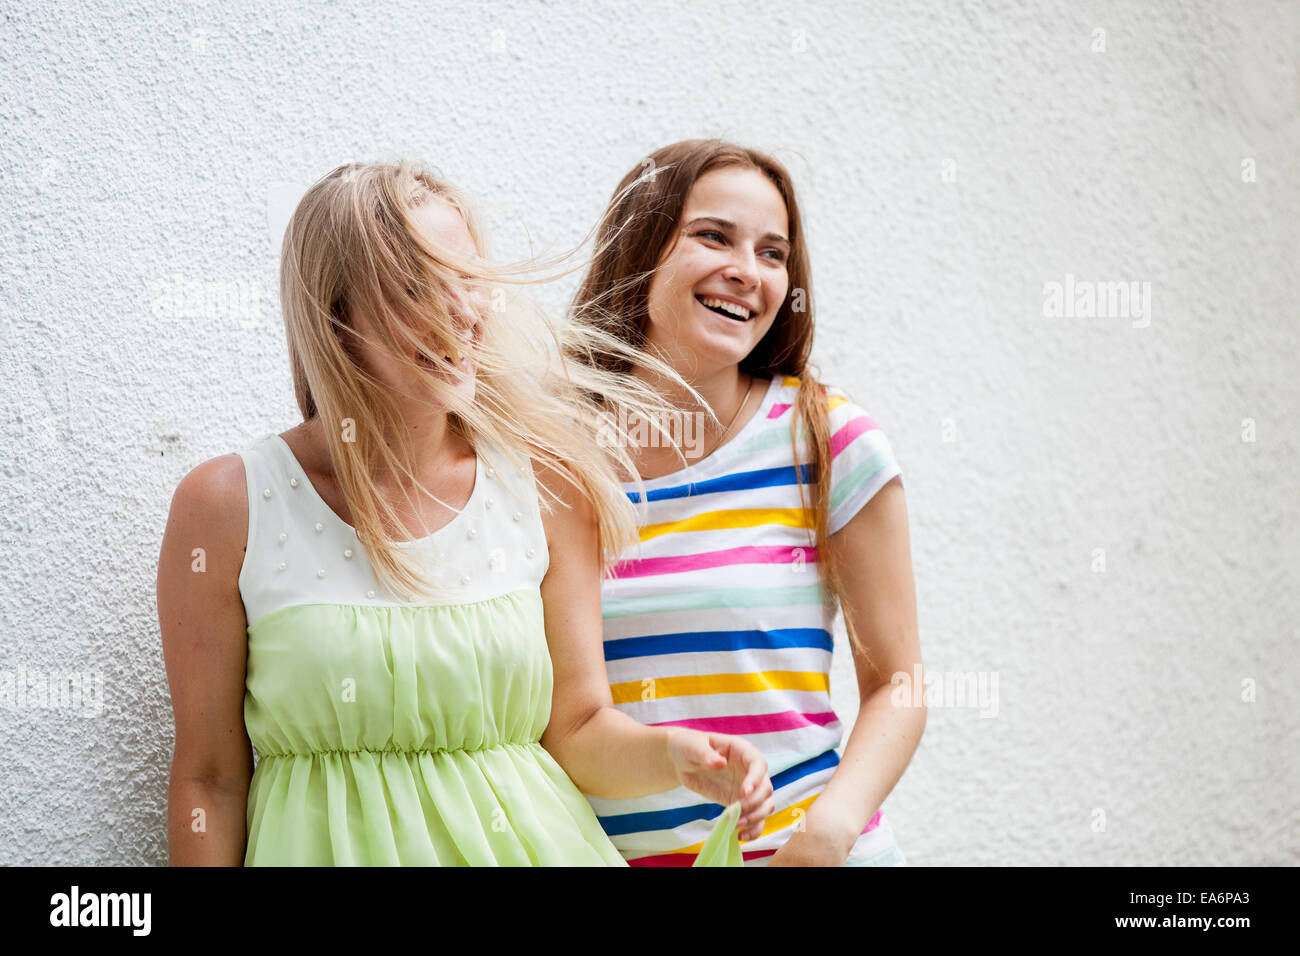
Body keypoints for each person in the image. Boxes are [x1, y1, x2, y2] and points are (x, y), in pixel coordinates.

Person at [156, 159, 773, 866]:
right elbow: (210, 779)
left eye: (470, 281)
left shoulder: (547, 482)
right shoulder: (226, 508)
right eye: (418, 285)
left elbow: (577, 728)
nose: (463, 311)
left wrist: (678, 757)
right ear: (336, 315)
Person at [568, 140, 926, 866]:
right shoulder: (559, 461)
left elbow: (899, 682)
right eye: (713, 236)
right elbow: (569, 723)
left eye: (772, 253)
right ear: (641, 248)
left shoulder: (826, 441)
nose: (747, 270)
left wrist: (827, 835)